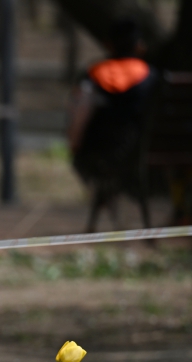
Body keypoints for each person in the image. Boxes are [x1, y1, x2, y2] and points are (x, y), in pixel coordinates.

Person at [67, 18, 157, 233]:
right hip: (145, 149)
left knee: (91, 163)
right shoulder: (151, 76)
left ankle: (106, 194)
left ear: (108, 44)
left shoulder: (95, 74)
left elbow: (80, 114)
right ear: (139, 46)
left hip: (98, 151)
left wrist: (74, 143)